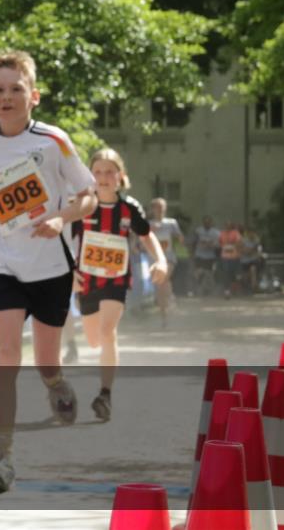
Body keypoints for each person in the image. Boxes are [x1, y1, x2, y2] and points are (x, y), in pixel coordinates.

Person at [0, 50, 96, 494]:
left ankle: (55, 382)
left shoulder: (53, 141)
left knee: (44, 360)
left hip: (52, 268)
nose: (8, 96)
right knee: (5, 357)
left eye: (17, 89)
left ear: (33, 96)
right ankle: (3, 455)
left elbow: (88, 194)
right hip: (6, 268)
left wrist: (62, 218)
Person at [72, 149, 166, 420]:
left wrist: (159, 260)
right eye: (97, 171)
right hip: (86, 280)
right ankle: (103, 374)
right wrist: (68, 271)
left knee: (108, 331)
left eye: (109, 171)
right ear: (90, 175)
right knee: (92, 339)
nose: (103, 177)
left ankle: (105, 394)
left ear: (120, 176)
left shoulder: (129, 208)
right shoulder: (81, 205)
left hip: (116, 279)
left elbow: (147, 236)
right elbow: (64, 240)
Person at [148, 197, 183, 326]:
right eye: (157, 207)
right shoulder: (149, 224)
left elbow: (180, 238)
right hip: (155, 258)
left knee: (163, 280)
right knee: (160, 286)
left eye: (162, 207)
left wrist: (178, 238)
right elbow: (141, 239)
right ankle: (165, 311)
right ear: (153, 209)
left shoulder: (171, 223)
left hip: (169, 257)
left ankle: (168, 306)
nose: (160, 210)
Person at [191, 216, 221, 296]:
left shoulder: (216, 232)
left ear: (211, 223)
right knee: (198, 272)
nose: (207, 223)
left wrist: (211, 245)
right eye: (205, 222)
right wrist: (192, 253)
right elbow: (194, 242)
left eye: (208, 222)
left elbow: (218, 244)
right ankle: (197, 289)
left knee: (209, 274)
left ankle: (209, 290)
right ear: (203, 222)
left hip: (210, 256)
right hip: (199, 255)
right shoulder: (198, 231)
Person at [218, 221, 242, 298]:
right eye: (226, 225)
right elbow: (220, 243)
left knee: (234, 274)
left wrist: (232, 247)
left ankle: (234, 289)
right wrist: (225, 247)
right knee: (226, 273)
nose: (228, 226)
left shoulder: (235, 233)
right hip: (225, 257)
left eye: (229, 225)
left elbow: (238, 243)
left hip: (234, 256)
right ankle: (227, 291)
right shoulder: (222, 233)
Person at [239, 226, 263, 294]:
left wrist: (255, 252)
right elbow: (240, 249)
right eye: (250, 233)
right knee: (245, 276)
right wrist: (246, 251)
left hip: (253, 260)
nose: (252, 235)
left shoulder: (257, 240)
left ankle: (253, 287)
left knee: (253, 269)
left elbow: (258, 249)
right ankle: (246, 288)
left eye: (253, 233)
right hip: (244, 260)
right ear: (248, 233)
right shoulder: (243, 240)